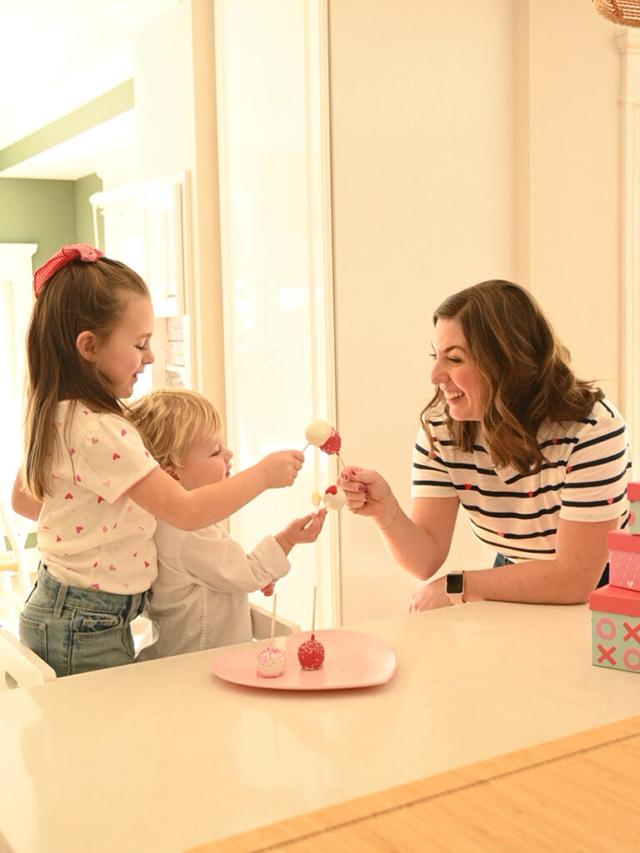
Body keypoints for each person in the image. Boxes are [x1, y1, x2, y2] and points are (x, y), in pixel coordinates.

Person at [11, 244, 305, 676]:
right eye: (140, 344)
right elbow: (186, 511)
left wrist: (103, 525)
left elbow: (25, 500)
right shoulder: (97, 428)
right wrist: (263, 475)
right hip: (84, 622)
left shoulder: (61, 413)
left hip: (70, 610)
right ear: (89, 346)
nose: (149, 356)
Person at [339, 280, 631, 611]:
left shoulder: (593, 429)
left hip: (611, 585)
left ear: (507, 360)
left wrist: (458, 585)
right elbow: (425, 560)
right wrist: (387, 512)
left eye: (455, 359)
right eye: (436, 356)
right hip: (516, 573)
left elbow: (575, 579)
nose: (435, 375)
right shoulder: (441, 430)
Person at [127, 388, 326, 659]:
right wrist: (287, 540)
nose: (229, 454)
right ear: (172, 474)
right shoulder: (186, 530)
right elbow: (249, 573)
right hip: (194, 666)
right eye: (215, 451)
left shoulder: (165, 522)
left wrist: (249, 576)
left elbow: (225, 572)